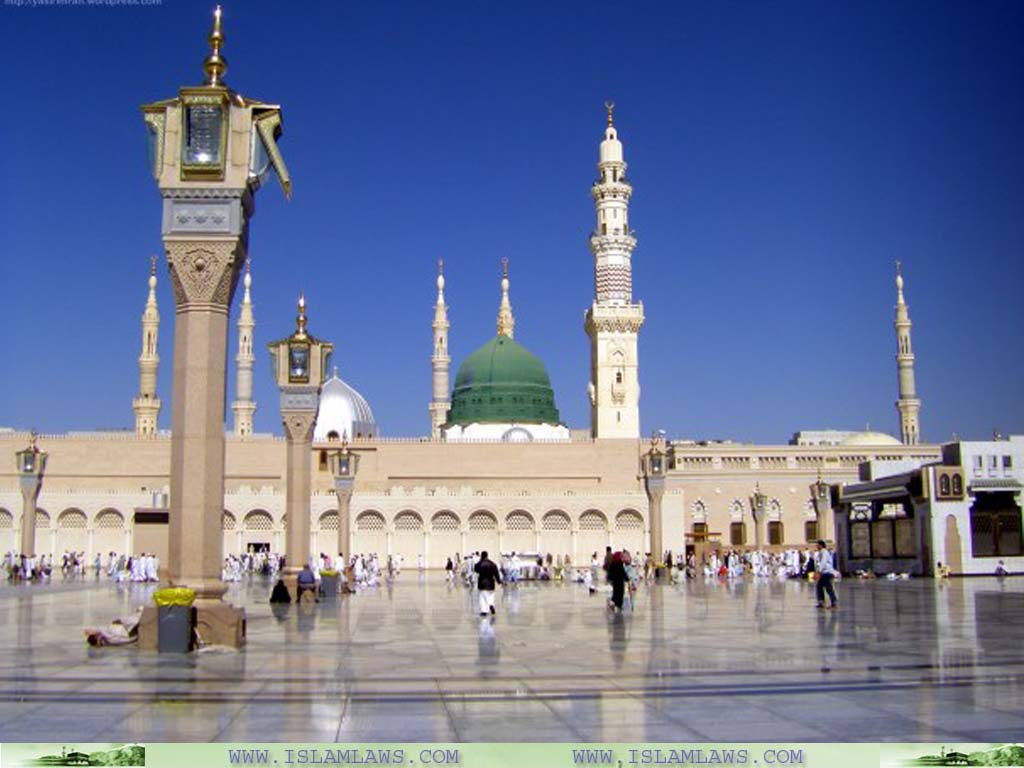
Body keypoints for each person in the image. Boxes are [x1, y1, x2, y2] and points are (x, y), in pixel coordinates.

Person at [473, 550, 502, 616]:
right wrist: (499, 581)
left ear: (481, 556)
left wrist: (480, 561)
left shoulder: (479, 564)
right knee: (490, 596)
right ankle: (491, 604)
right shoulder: (492, 564)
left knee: (482, 597)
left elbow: (475, 569)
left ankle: (484, 611)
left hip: (482, 582)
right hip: (491, 583)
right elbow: (496, 573)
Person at [814, 540, 838, 609]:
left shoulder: (825, 552)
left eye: (817, 545)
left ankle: (833, 602)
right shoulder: (820, 553)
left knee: (828, 587)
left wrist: (819, 572)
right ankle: (821, 602)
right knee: (819, 587)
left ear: (821, 545)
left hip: (826, 572)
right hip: (823, 572)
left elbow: (823, 562)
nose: (816, 546)